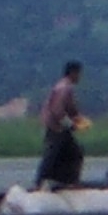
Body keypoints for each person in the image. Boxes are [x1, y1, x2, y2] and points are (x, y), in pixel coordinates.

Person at [32, 61, 89, 190]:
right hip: (56, 127)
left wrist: (79, 119)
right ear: (73, 73)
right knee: (56, 154)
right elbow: (57, 110)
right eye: (79, 73)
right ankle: (41, 184)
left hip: (59, 127)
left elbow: (71, 109)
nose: (80, 77)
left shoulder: (64, 86)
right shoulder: (64, 88)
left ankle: (63, 181)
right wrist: (71, 125)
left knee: (69, 153)